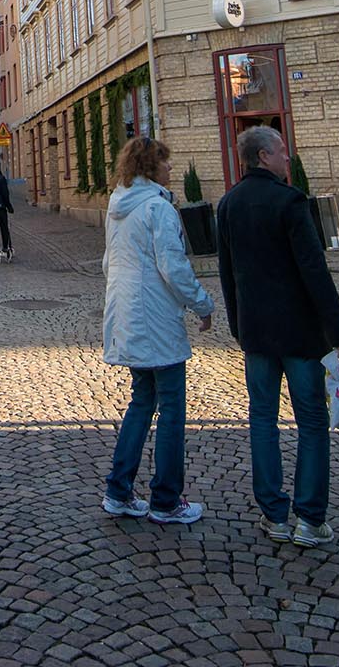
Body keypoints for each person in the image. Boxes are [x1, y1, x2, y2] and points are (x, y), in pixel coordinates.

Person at [217, 125, 339, 548]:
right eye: (281, 151)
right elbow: (315, 270)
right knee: (311, 421)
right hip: (299, 333)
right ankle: (310, 519)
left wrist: (238, 325)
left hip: (257, 333)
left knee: (262, 419)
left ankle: (274, 515)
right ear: (263, 157)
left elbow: (227, 275)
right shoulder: (291, 202)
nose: (287, 157)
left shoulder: (228, 204)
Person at [101, 135, 214, 526]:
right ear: (151, 167)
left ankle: (119, 490)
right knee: (171, 410)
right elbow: (175, 268)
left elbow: (107, 265)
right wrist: (203, 304)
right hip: (156, 319)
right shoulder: (158, 209)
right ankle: (166, 499)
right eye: (165, 163)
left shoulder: (118, 207)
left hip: (127, 314)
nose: (171, 169)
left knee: (141, 402)